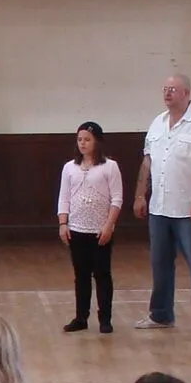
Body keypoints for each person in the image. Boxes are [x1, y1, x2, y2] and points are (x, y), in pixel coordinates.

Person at [134, 74, 191, 334]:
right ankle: (161, 314)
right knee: (160, 263)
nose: (167, 93)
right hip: (160, 208)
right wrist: (140, 195)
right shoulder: (157, 123)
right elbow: (147, 162)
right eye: (165, 89)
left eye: (173, 89)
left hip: (189, 209)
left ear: (187, 93)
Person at [58, 122, 124, 334]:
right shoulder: (69, 168)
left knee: (102, 274)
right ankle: (81, 317)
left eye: (87, 139)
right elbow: (64, 197)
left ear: (97, 142)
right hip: (77, 229)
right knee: (81, 275)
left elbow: (117, 199)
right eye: (80, 139)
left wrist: (109, 225)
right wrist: (63, 223)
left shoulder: (110, 167)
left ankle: (105, 318)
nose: (83, 143)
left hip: (100, 230)